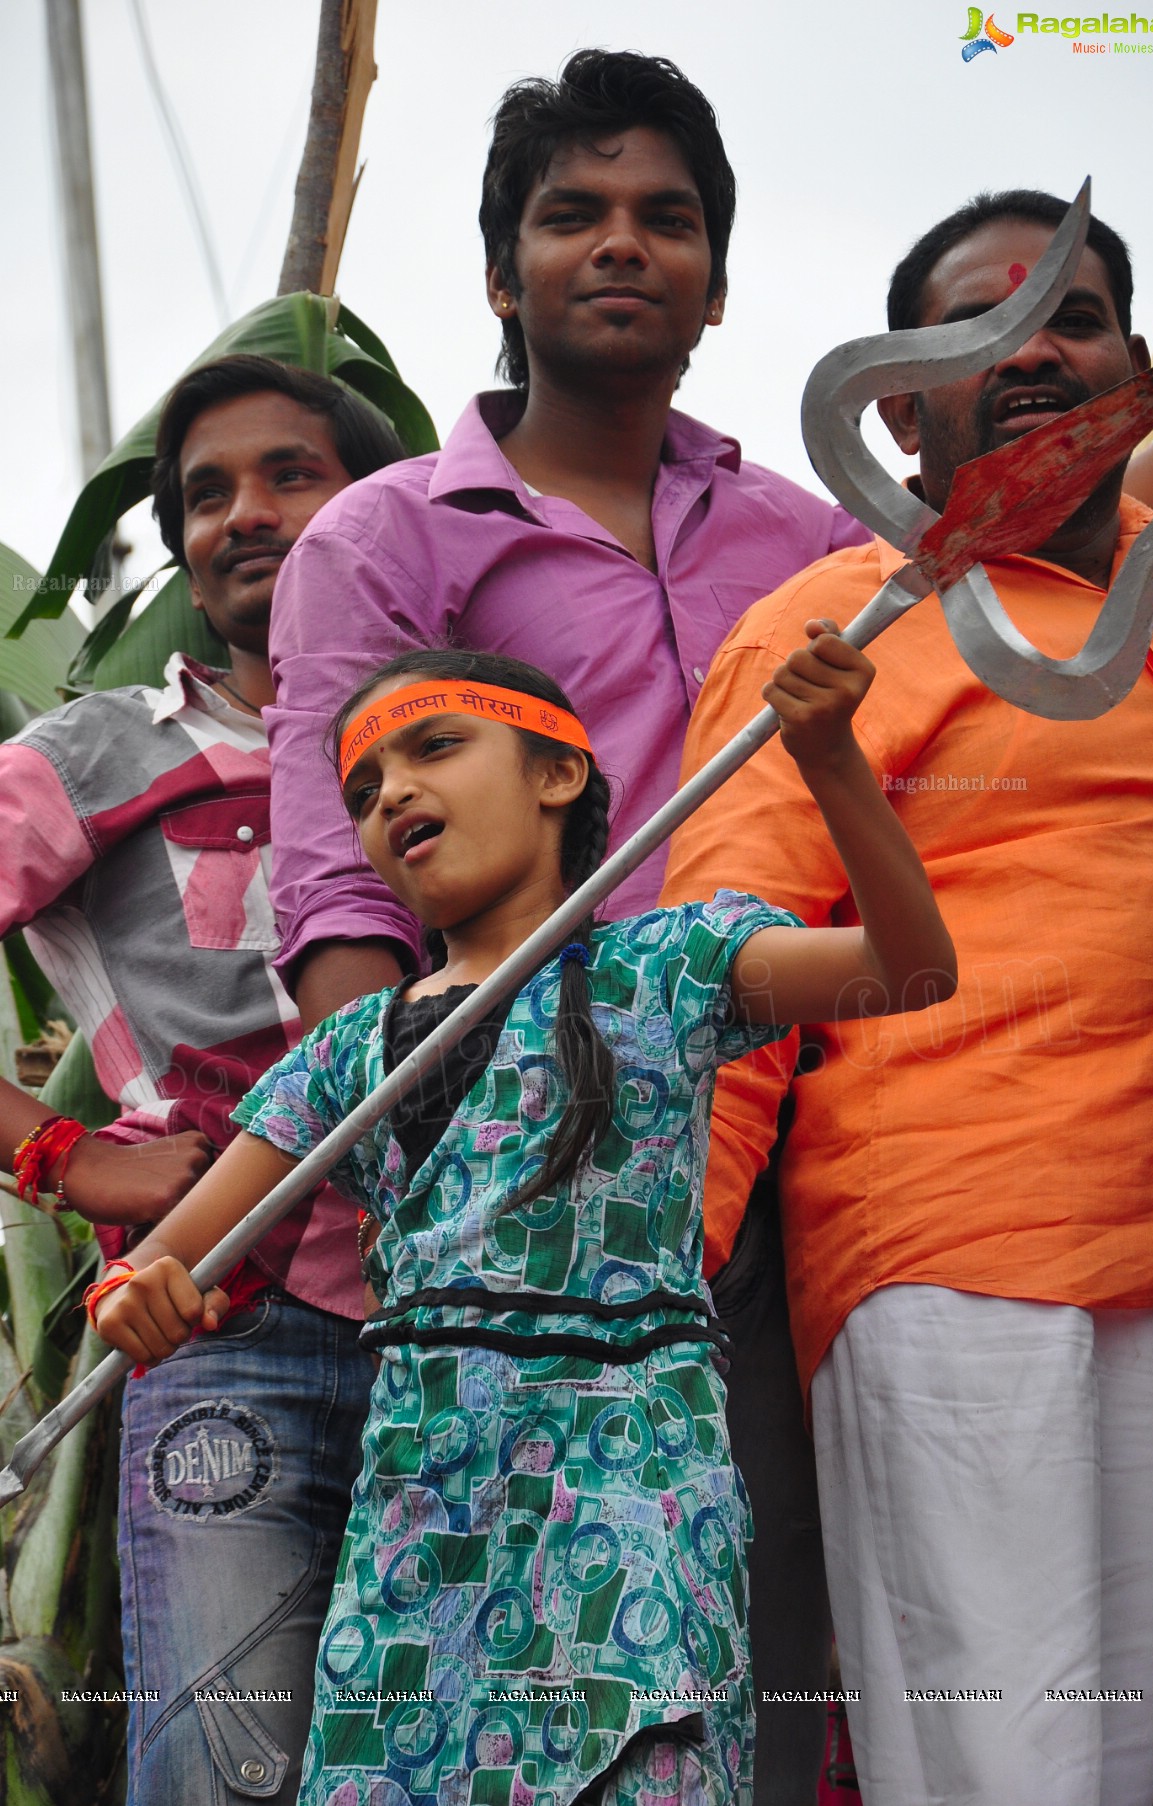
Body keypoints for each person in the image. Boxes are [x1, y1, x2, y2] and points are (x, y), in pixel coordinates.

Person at [265, 53, 867, 1789]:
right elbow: (334, 888)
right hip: (508, 1217)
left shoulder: (808, 540)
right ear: (495, 271)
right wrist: (441, 1168)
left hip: (775, 1162)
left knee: (739, 1647)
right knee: (471, 1679)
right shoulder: (384, 537)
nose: (622, 246)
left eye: (664, 218)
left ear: (717, 280)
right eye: (572, 214)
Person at [91, 642, 954, 1806]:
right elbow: (168, 1255)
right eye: (362, 789)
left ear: (557, 777)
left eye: (434, 748)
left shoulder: (668, 966)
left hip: (626, 1499)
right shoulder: (348, 1053)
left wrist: (829, 759)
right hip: (421, 1523)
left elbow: (907, 971)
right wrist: (133, 1295)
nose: (392, 791)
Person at [660, 189, 1153, 1806]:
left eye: (1074, 318)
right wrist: (655, 1281)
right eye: (976, 326)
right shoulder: (826, 629)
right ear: (893, 407)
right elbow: (716, 977)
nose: (1034, 350)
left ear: (1132, 367)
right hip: (956, 1274)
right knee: (1007, 1774)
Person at [0, 354, 404, 1804]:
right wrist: (65, 1157)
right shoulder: (99, 751)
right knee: (230, 1781)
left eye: (291, 474)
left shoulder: (469, 738)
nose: (242, 514)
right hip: (229, 1332)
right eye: (203, 495)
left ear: (380, 507)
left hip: (485, 1339)